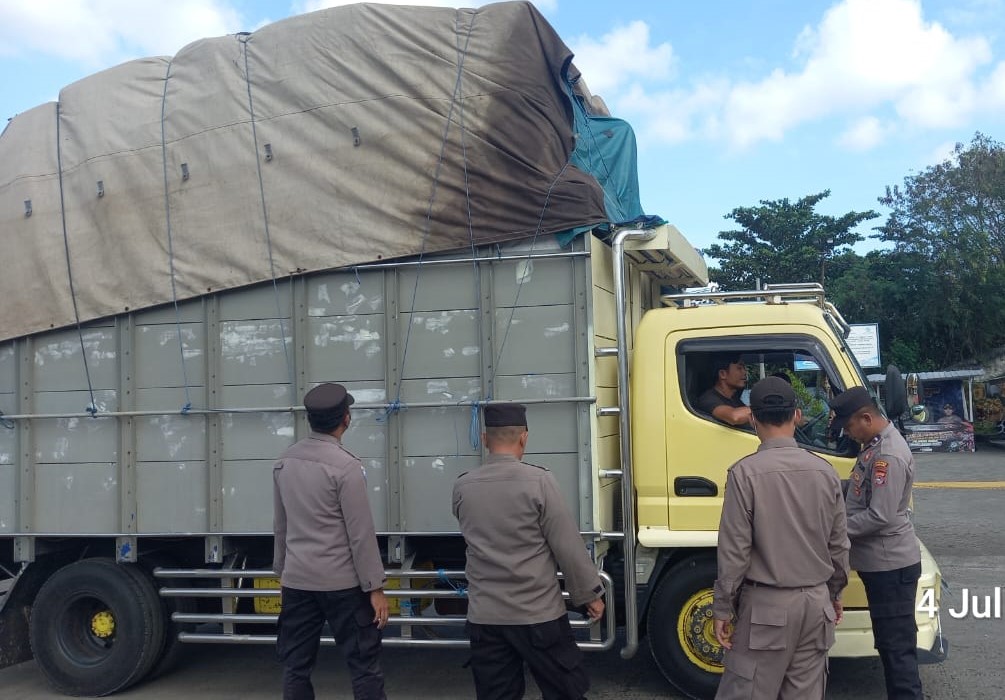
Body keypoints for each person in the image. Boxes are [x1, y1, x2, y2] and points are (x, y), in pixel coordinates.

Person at [452, 403, 605, 700]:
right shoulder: (540, 482)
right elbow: (567, 545)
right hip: (538, 615)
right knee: (566, 691)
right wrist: (589, 595)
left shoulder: (463, 486)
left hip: (486, 618)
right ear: (524, 438)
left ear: (485, 439)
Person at [712, 376, 849, 700]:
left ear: (753, 418)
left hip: (766, 611)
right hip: (816, 606)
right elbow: (839, 544)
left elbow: (734, 553)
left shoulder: (744, 474)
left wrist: (722, 609)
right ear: (797, 415)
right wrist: (835, 593)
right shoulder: (826, 472)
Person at [272, 383, 389, 700]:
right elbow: (360, 533)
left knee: (296, 667)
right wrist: (375, 588)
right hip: (343, 585)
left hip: (297, 582)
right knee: (364, 666)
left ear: (310, 420)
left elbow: (281, 524)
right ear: (346, 419)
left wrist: (282, 573)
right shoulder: (347, 467)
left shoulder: (285, 462)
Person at [830, 387, 923, 700]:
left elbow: (879, 515)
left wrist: (836, 531)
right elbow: (859, 490)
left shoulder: (887, 454)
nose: (847, 433)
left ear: (866, 418)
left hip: (891, 567)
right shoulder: (873, 446)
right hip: (882, 566)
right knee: (889, 643)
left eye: (848, 426)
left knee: (897, 649)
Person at [696, 353, 752, 426]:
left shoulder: (734, 399)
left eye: (744, 368)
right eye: (739, 368)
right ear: (723, 374)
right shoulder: (708, 399)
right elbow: (734, 417)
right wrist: (766, 408)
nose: (745, 372)